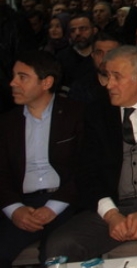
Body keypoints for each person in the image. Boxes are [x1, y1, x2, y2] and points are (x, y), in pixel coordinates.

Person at [45, 47, 137, 261]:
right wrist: (110, 214)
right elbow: (86, 170)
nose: (109, 84)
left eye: (117, 77)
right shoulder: (97, 112)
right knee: (60, 244)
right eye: (107, 76)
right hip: (114, 203)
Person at [0, 51, 84, 268]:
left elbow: (85, 168)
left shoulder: (76, 114)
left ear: (46, 82)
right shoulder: (7, 123)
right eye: (13, 76)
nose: (13, 83)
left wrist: (53, 208)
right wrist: (14, 209)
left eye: (22, 77)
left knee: (55, 252)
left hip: (66, 203)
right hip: (22, 204)